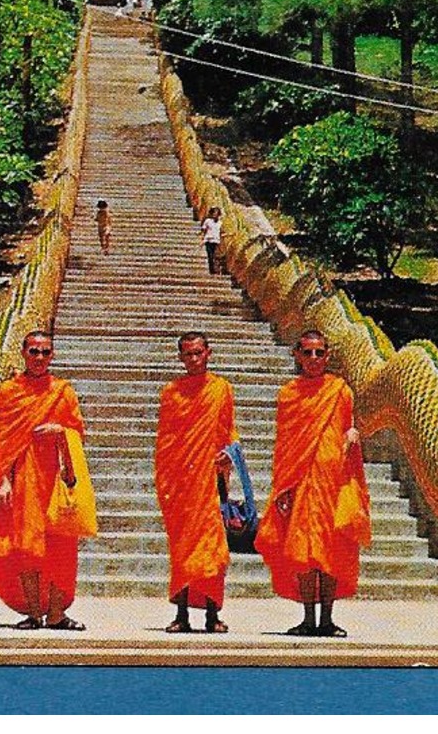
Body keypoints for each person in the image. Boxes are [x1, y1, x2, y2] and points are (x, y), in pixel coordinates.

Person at [254, 330, 371, 637]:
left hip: (335, 481)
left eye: (320, 353)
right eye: (308, 353)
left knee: (332, 549)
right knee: (305, 552)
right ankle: (308, 619)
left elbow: (349, 429)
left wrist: (353, 434)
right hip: (302, 482)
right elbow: (285, 445)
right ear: (297, 355)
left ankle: (328, 619)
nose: (314, 359)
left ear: (328, 356)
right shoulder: (289, 394)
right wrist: (282, 487)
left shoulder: (340, 390)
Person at [0, 330, 89, 631]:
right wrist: (4, 480)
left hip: (56, 477)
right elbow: (1, 441)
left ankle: (56, 613)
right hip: (25, 477)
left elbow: (77, 433)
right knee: (26, 545)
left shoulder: (63, 391)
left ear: (52, 355)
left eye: (45, 352)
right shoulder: (9, 392)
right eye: (34, 351)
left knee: (60, 547)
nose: (39, 358)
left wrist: (60, 431)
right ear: (23, 353)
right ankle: (33, 612)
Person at [154, 331, 239, 633]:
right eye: (187, 354)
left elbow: (229, 433)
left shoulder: (221, 389)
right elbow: (165, 440)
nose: (193, 359)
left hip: (209, 480)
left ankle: (212, 614)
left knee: (213, 550)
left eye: (198, 353)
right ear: (180, 357)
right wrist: (164, 481)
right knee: (182, 550)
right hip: (180, 482)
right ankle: (181, 615)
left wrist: (229, 457)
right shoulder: (171, 392)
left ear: (208, 353)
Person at [199, 207, 223, 275]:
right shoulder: (208, 221)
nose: (215, 215)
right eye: (214, 213)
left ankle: (215, 269)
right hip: (208, 240)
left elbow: (221, 232)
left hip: (216, 241)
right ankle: (212, 270)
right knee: (210, 255)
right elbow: (203, 230)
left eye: (217, 214)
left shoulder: (220, 223)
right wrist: (202, 239)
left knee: (215, 256)